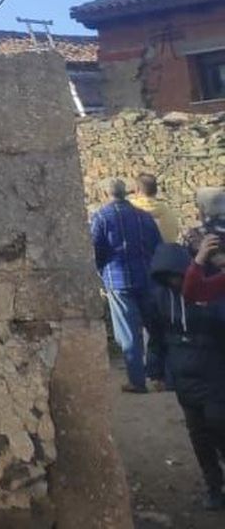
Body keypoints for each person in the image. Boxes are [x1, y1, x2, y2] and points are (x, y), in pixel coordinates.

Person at [148, 242, 225, 511]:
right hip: (184, 380)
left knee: (219, 427)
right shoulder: (159, 299)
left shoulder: (210, 292)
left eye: (177, 276)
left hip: (214, 373)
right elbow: (156, 339)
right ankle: (214, 487)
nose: (174, 281)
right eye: (168, 277)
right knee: (199, 436)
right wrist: (155, 370)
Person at [90, 177, 163, 392]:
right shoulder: (144, 217)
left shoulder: (101, 217)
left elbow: (96, 250)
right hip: (147, 277)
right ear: (126, 193)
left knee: (128, 332)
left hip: (118, 280)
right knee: (156, 327)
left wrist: (102, 271)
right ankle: (159, 376)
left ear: (105, 195)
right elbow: (157, 246)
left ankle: (137, 381)